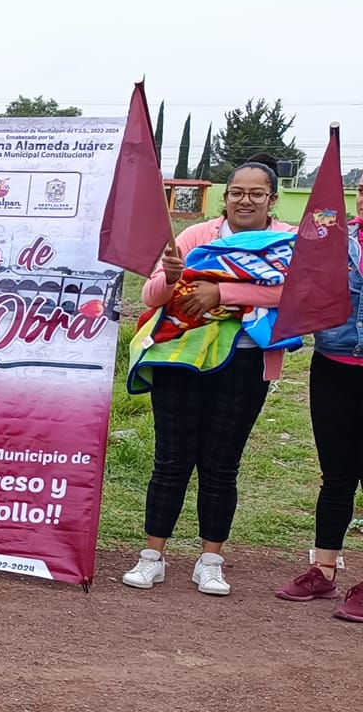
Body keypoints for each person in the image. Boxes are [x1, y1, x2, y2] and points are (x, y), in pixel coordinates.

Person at [121, 161, 295, 597]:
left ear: (272, 199)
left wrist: (223, 292)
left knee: (221, 464)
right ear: (226, 196)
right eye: (237, 192)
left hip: (245, 361)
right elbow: (151, 294)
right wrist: (173, 279)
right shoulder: (197, 236)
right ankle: (152, 557)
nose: (246, 200)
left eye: (257, 193)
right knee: (171, 460)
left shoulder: (287, 242)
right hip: (180, 359)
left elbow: (290, 293)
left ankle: (210, 561)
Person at [277, 182, 363, 620]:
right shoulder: (335, 243)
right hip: (333, 366)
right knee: (336, 476)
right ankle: (323, 572)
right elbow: (303, 289)